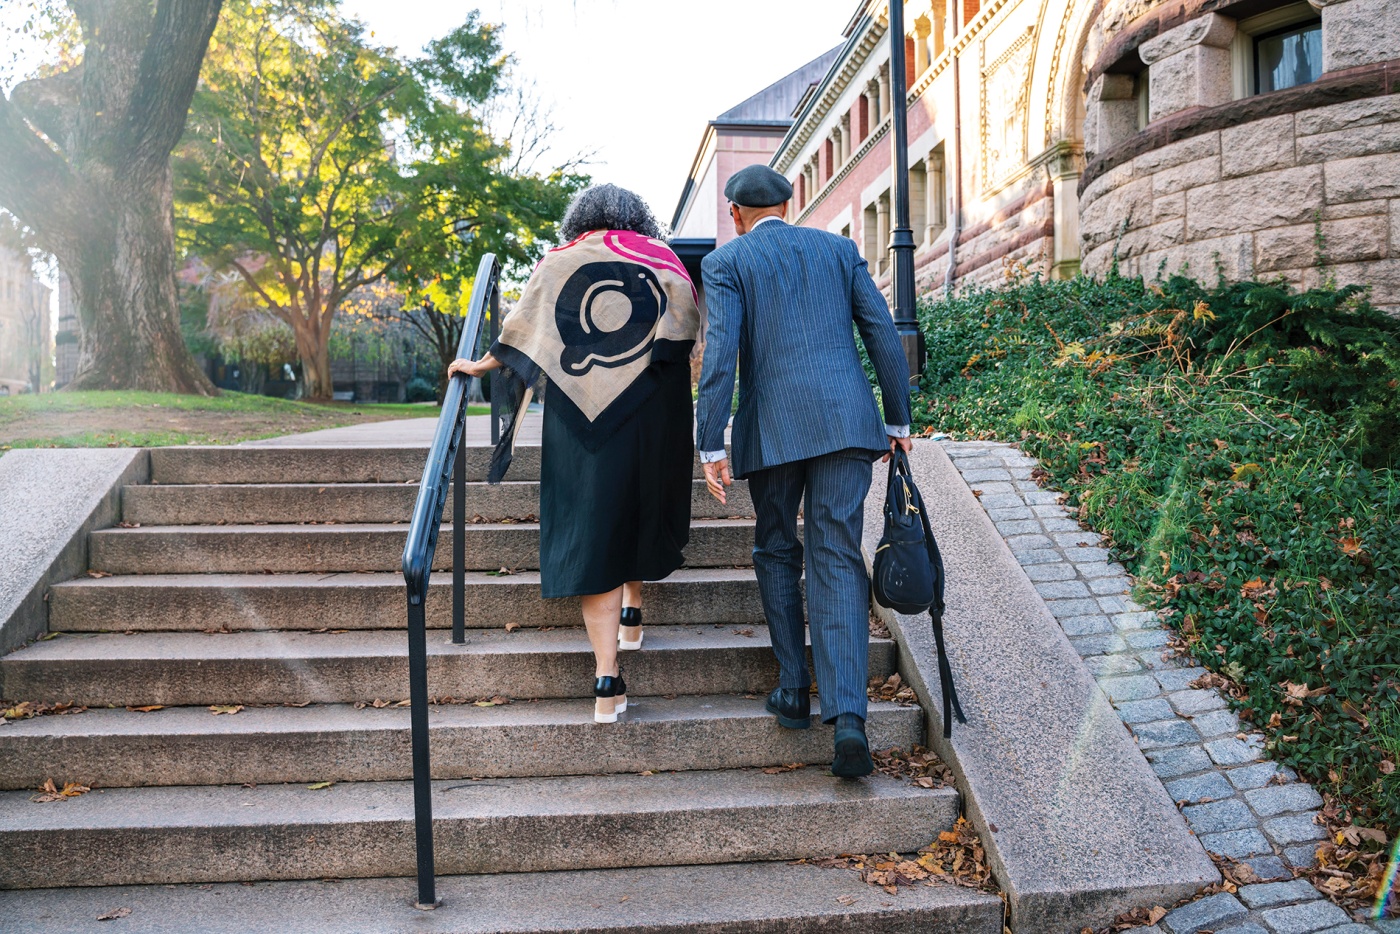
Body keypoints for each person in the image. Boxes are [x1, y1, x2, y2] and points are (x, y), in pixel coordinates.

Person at [447, 184, 700, 724]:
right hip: (656, 411)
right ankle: (633, 611)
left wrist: (480, 367)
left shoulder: (559, 260)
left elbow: (524, 328)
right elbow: (686, 333)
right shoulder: (663, 258)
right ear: (639, 218)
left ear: (579, 219)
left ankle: (606, 679)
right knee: (641, 503)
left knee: (596, 520)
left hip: (580, 418)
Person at [695, 164, 913, 779]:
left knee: (775, 547)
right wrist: (897, 422)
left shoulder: (729, 263)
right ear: (789, 204)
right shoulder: (839, 250)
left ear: (734, 213)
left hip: (773, 429)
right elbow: (881, 331)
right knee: (837, 554)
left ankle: (793, 689)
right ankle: (849, 718)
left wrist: (711, 441)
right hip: (847, 423)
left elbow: (721, 358)